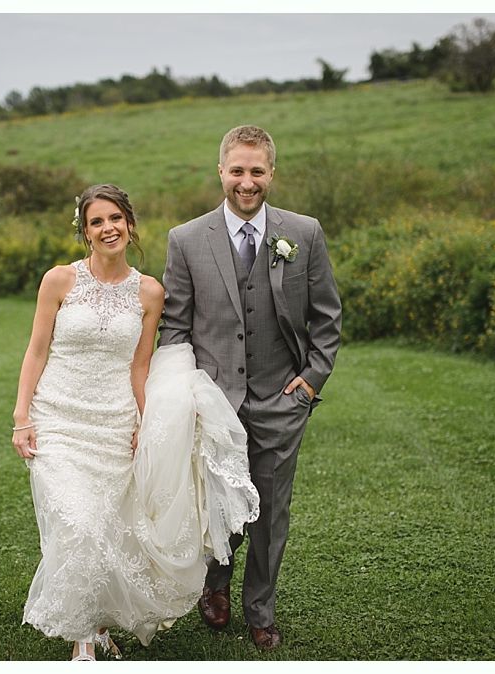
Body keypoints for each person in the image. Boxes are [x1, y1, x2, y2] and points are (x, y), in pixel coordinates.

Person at [11, 184, 259, 660]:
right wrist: (22, 416)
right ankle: (83, 642)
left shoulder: (149, 292)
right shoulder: (59, 281)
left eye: (115, 219)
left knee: (108, 528)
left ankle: (100, 624)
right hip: (59, 419)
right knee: (78, 525)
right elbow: (36, 350)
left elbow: (140, 366)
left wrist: (146, 425)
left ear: (130, 224)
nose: (108, 229)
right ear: (84, 232)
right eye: (97, 222)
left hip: (114, 423)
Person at [159, 125, 342, 650]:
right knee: (218, 502)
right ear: (220, 170)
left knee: (269, 511)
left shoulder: (303, 233)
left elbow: (327, 317)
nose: (246, 181)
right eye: (237, 170)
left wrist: (310, 381)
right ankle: (214, 586)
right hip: (212, 401)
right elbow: (175, 326)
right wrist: (184, 394)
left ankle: (260, 609)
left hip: (280, 399)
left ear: (271, 174)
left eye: (256, 171)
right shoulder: (186, 239)